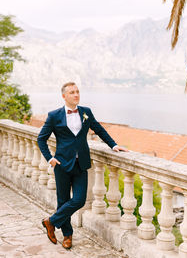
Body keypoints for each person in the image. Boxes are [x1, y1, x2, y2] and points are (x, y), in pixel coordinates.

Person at [37, 82, 128, 250]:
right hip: (62, 164)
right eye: (72, 92)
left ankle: (50, 222)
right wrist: (50, 158)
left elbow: (99, 129)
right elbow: (41, 139)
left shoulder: (86, 112)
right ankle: (67, 235)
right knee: (63, 201)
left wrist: (113, 145)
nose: (76, 95)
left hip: (82, 164)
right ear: (64, 96)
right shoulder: (54, 115)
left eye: (77, 91)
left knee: (79, 200)